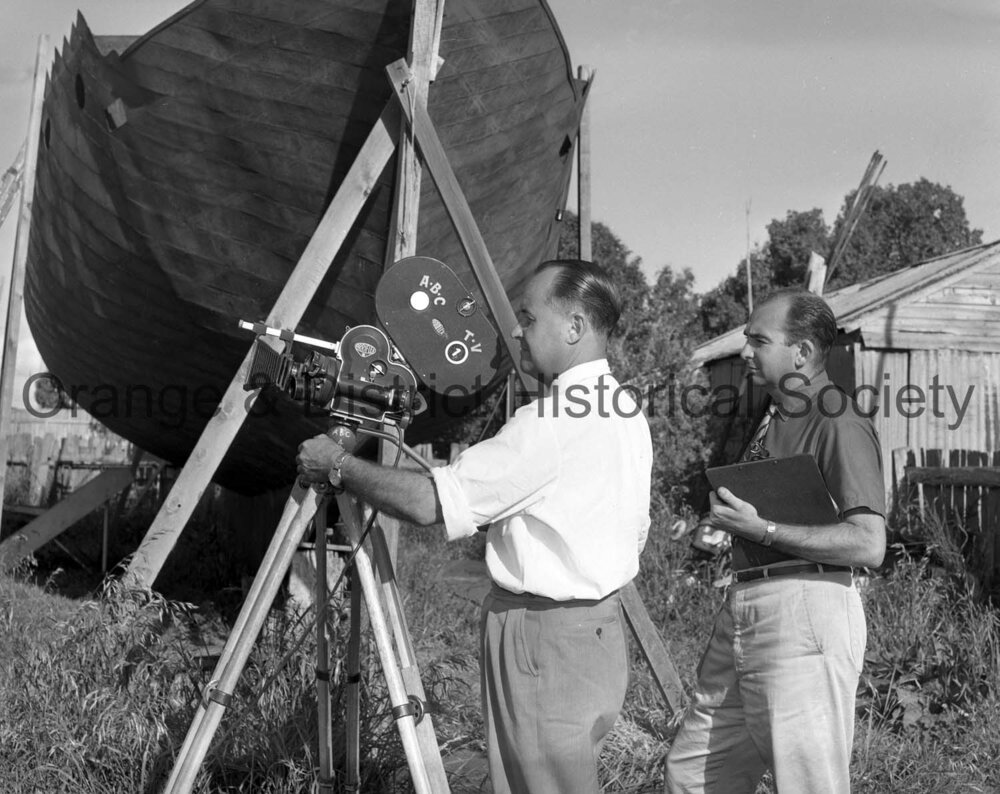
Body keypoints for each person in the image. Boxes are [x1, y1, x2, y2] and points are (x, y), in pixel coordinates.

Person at [297, 259, 653, 793]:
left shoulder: (552, 421)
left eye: (529, 318)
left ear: (575, 326)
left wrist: (340, 465)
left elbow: (429, 503)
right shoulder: (623, 407)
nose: (517, 331)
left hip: (544, 639)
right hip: (597, 631)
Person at [665, 288, 886, 794]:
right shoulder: (774, 414)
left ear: (802, 352)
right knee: (695, 774)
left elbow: (868, 544)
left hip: (805, 609)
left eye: (759, 341)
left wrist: (762, 530)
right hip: (748, 602)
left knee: (807, 782)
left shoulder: (837, 419)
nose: (745, 351)